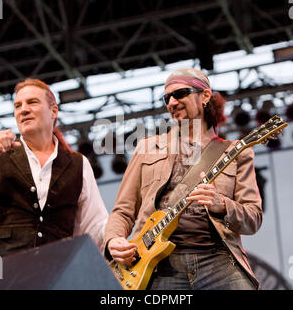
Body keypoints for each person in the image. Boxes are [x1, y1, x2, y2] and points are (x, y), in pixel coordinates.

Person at [104, 68, 262, 290]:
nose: (171, 102)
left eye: (180, 94)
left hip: (218, 258)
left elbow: (253, 218)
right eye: (166, 98)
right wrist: (113, 241)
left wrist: (221, 205)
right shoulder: (148, 147)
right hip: (159, 265)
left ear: (205, 96)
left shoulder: (236, 152)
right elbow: (123, 210)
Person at [0, 78, 108, 258]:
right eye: (18, 106)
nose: (24, 110)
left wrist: (116, 240)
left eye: (32, 102)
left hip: (59, 272)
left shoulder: (78, 163)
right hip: (4, 276)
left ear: (53, 110)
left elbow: (95, 226)